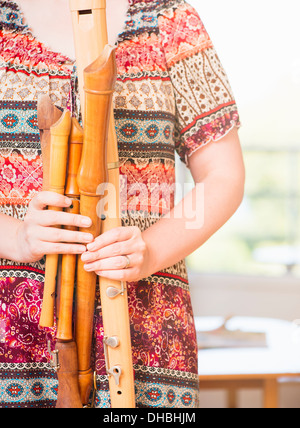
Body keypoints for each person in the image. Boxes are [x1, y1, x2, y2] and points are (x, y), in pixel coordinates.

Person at [0, 0, 244, 408]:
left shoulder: (169, 18)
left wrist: (149, 252)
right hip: (13, 336)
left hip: (145, 332)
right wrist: (18, 237)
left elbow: (224, 176)